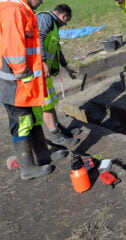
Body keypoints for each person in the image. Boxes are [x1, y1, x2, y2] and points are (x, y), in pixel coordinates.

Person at [0, 0, 56, 180]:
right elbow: (13, 45)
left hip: (23, 81)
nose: (42, 1)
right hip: (15, 82)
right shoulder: (13, 10)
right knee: (21, 122)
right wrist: (22, 72)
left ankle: (43, 156)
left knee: (33, 118)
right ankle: (27, 168)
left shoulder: (22, 9)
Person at [37, 4, 80, 148]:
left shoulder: (53, 26)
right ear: (64, 16)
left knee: (50, 103)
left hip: (43, 72)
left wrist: (67, 68)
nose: (66, 23)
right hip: (37, 71)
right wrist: (43, 61)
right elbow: (39, 39)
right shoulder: (46, 19)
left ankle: (59, 130)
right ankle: (55, 136)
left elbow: (57, 49)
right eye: (67, 20)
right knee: (46, 105)